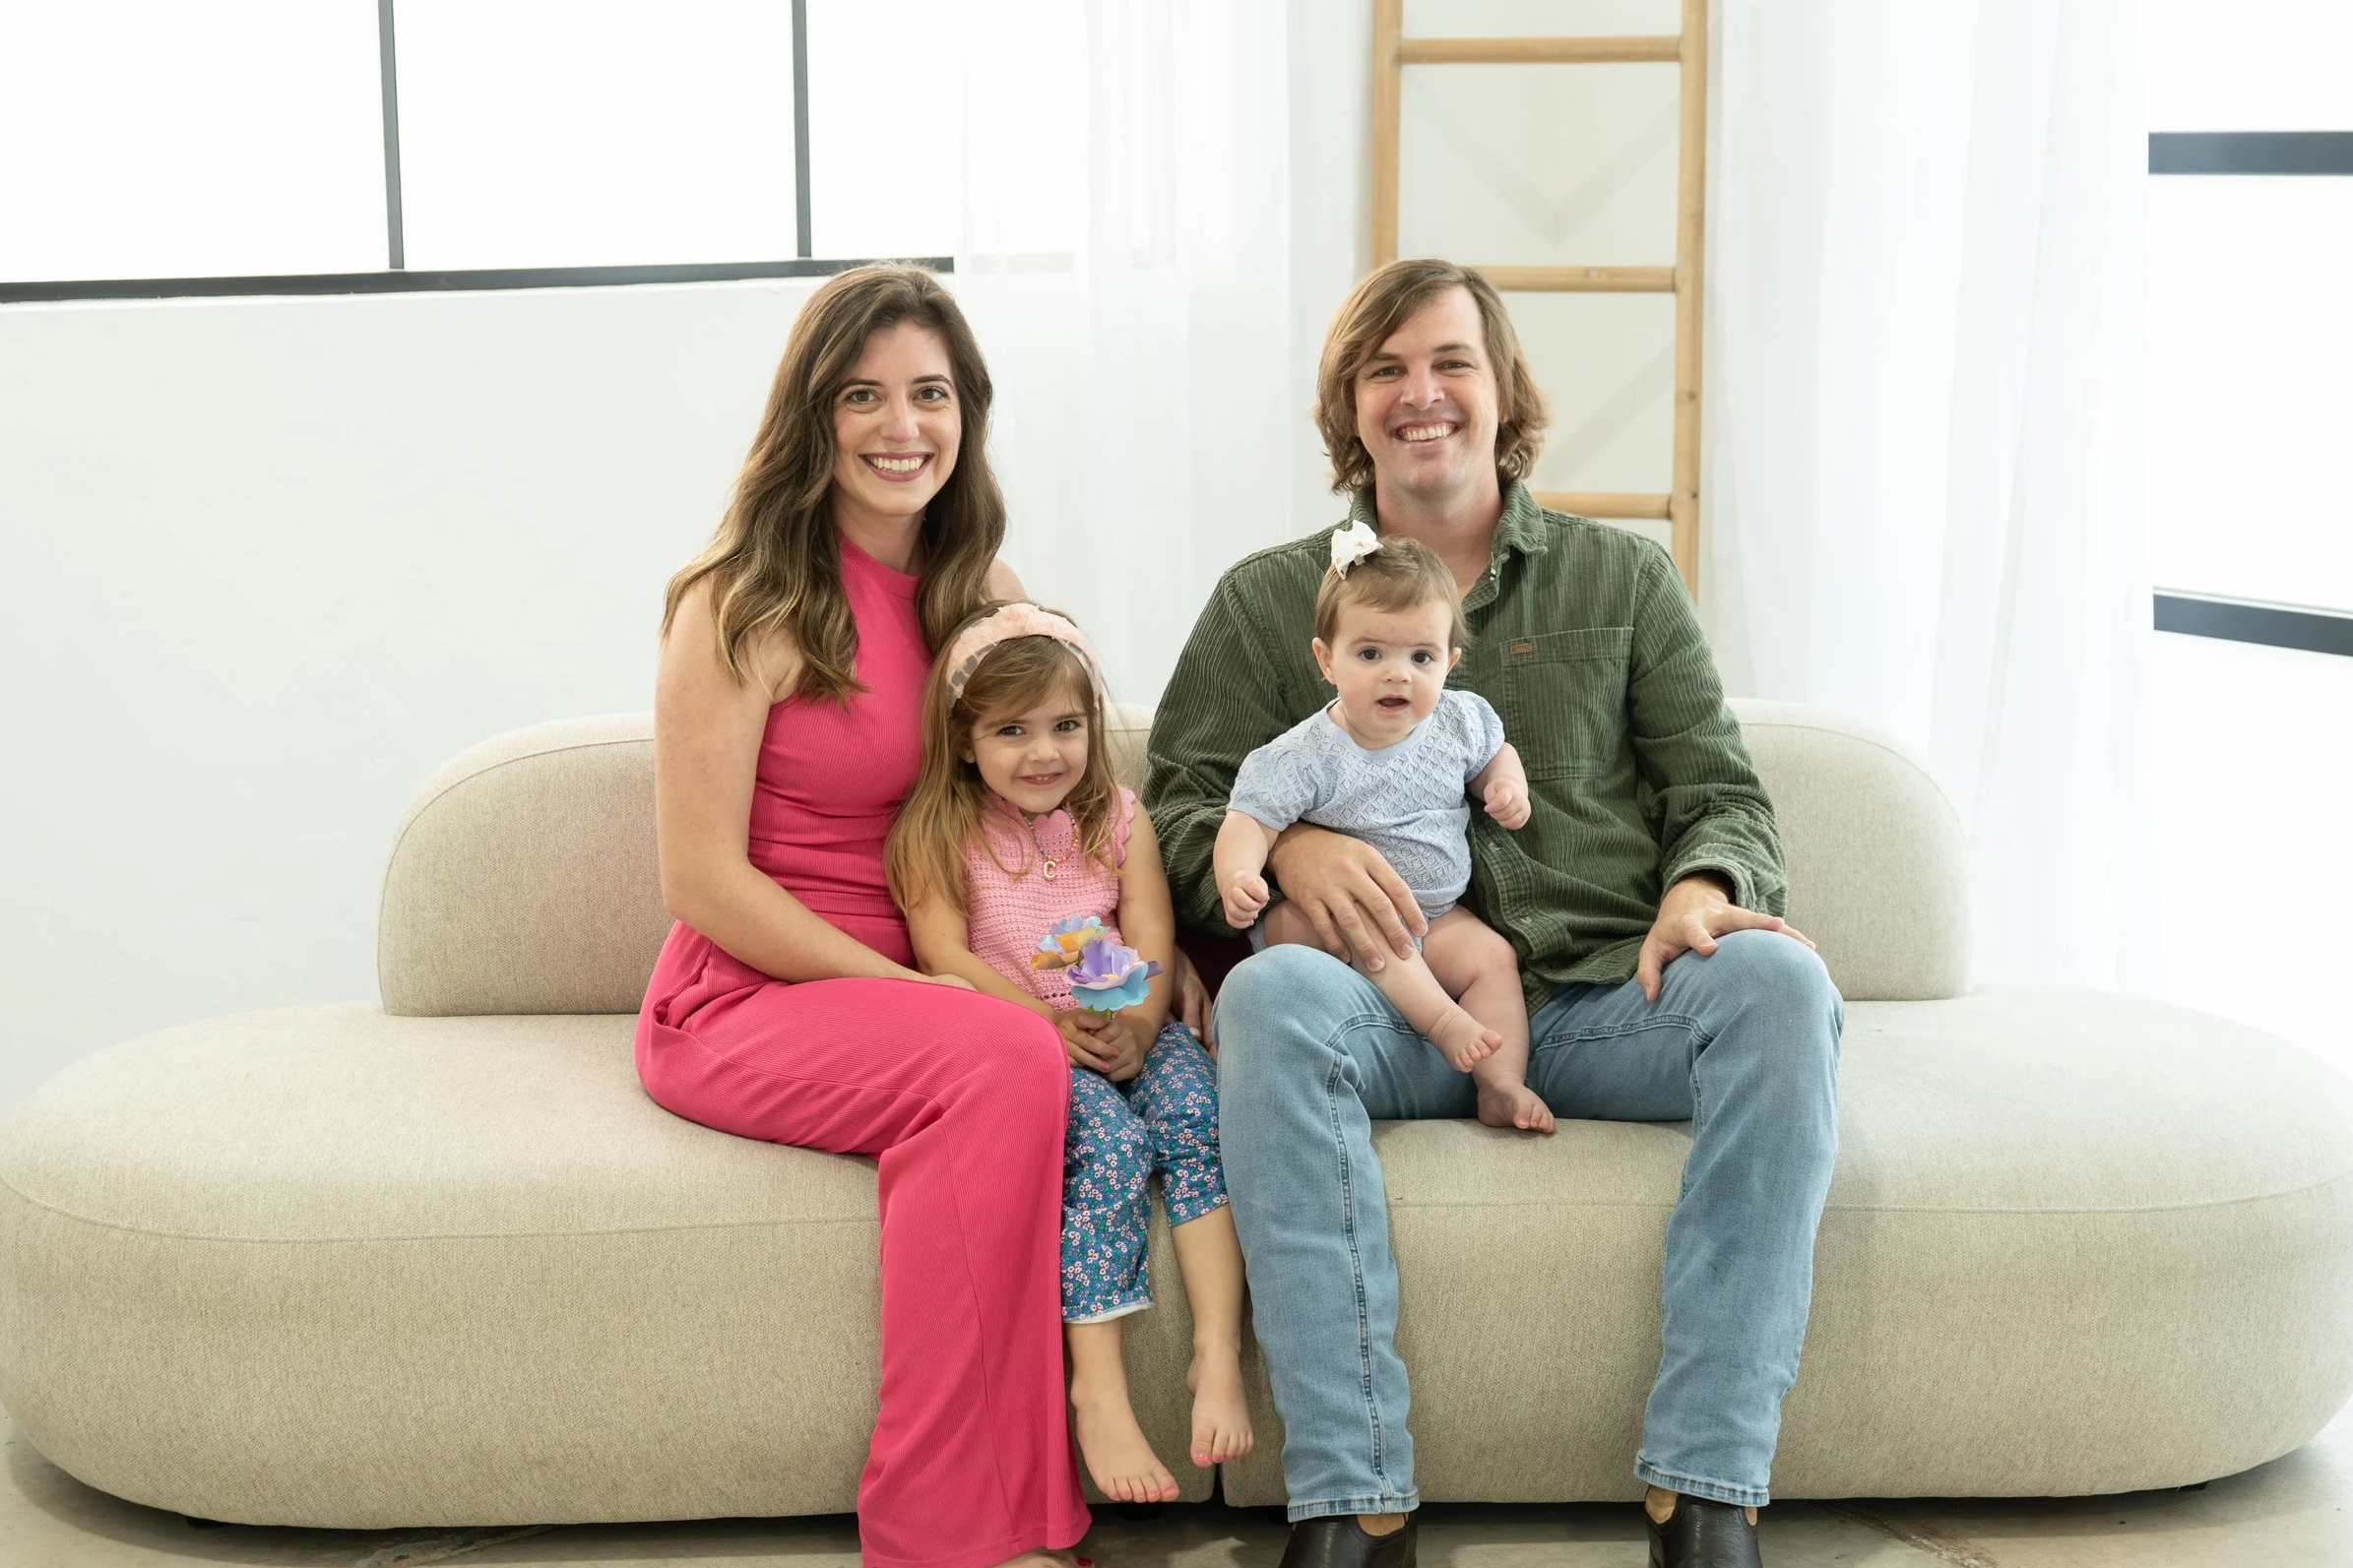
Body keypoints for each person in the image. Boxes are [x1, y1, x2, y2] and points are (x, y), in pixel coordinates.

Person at [1145, 259, 1844, 1568]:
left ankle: (1703, 1491)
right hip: (1388, 1004)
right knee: (1266, 995)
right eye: (1384, 369)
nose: (1421, 395)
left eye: (1450, 362)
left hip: (1603, 1001)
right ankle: (1355, 1504)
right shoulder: (1263, 604)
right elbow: (1175, 806)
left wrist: (1701, 889)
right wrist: (1281, 849)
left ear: (1501, 389)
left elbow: (1716, 786)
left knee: (1782, 988)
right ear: (1348, 409)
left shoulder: (1619, 583)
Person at [636, 264, 1092, 1568]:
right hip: (747, 993)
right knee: (999, 1056)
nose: (904, 427)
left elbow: (1053, 808)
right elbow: (702, 882)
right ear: (813, 414)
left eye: (931, 394)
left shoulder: (980, 581)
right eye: (865, 395)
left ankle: (1023, 1511)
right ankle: (938, 1532)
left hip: (930, 978)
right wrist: (916, 994)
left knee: (1064, 1052)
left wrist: (1127, 971)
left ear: (968, 413)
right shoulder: (741, 597)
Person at [884, 599, 1254, 1508]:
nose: (1043, 750)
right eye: (1011, 730)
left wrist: (1140, 1018)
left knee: (1199, 1115)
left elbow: (1152, 933)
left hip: (1131, 1021)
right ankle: (1099, 1387)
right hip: (1025, 1042)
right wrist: (1048, 1030)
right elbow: (947, 955)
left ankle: (1216, 1350)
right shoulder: (937, 831)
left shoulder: (1120, 818)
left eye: (1065, 725)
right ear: (965, 740)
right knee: (1113, 1152)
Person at [1213, 528, 1550, 1133]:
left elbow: (1496, 756)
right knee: (1373, 932)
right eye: (1370, 655)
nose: (1398, 675)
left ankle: (1501, 1084)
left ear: (1449, 663)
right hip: (1337, 920)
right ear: (1326, 659)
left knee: (1494, 957)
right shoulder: (1303, 755)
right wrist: (1238, 873)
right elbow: (1248, 822)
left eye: (1420, 657)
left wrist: (1506, 785)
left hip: (1437, 915)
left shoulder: (1460, 720)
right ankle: (1444, 1024)